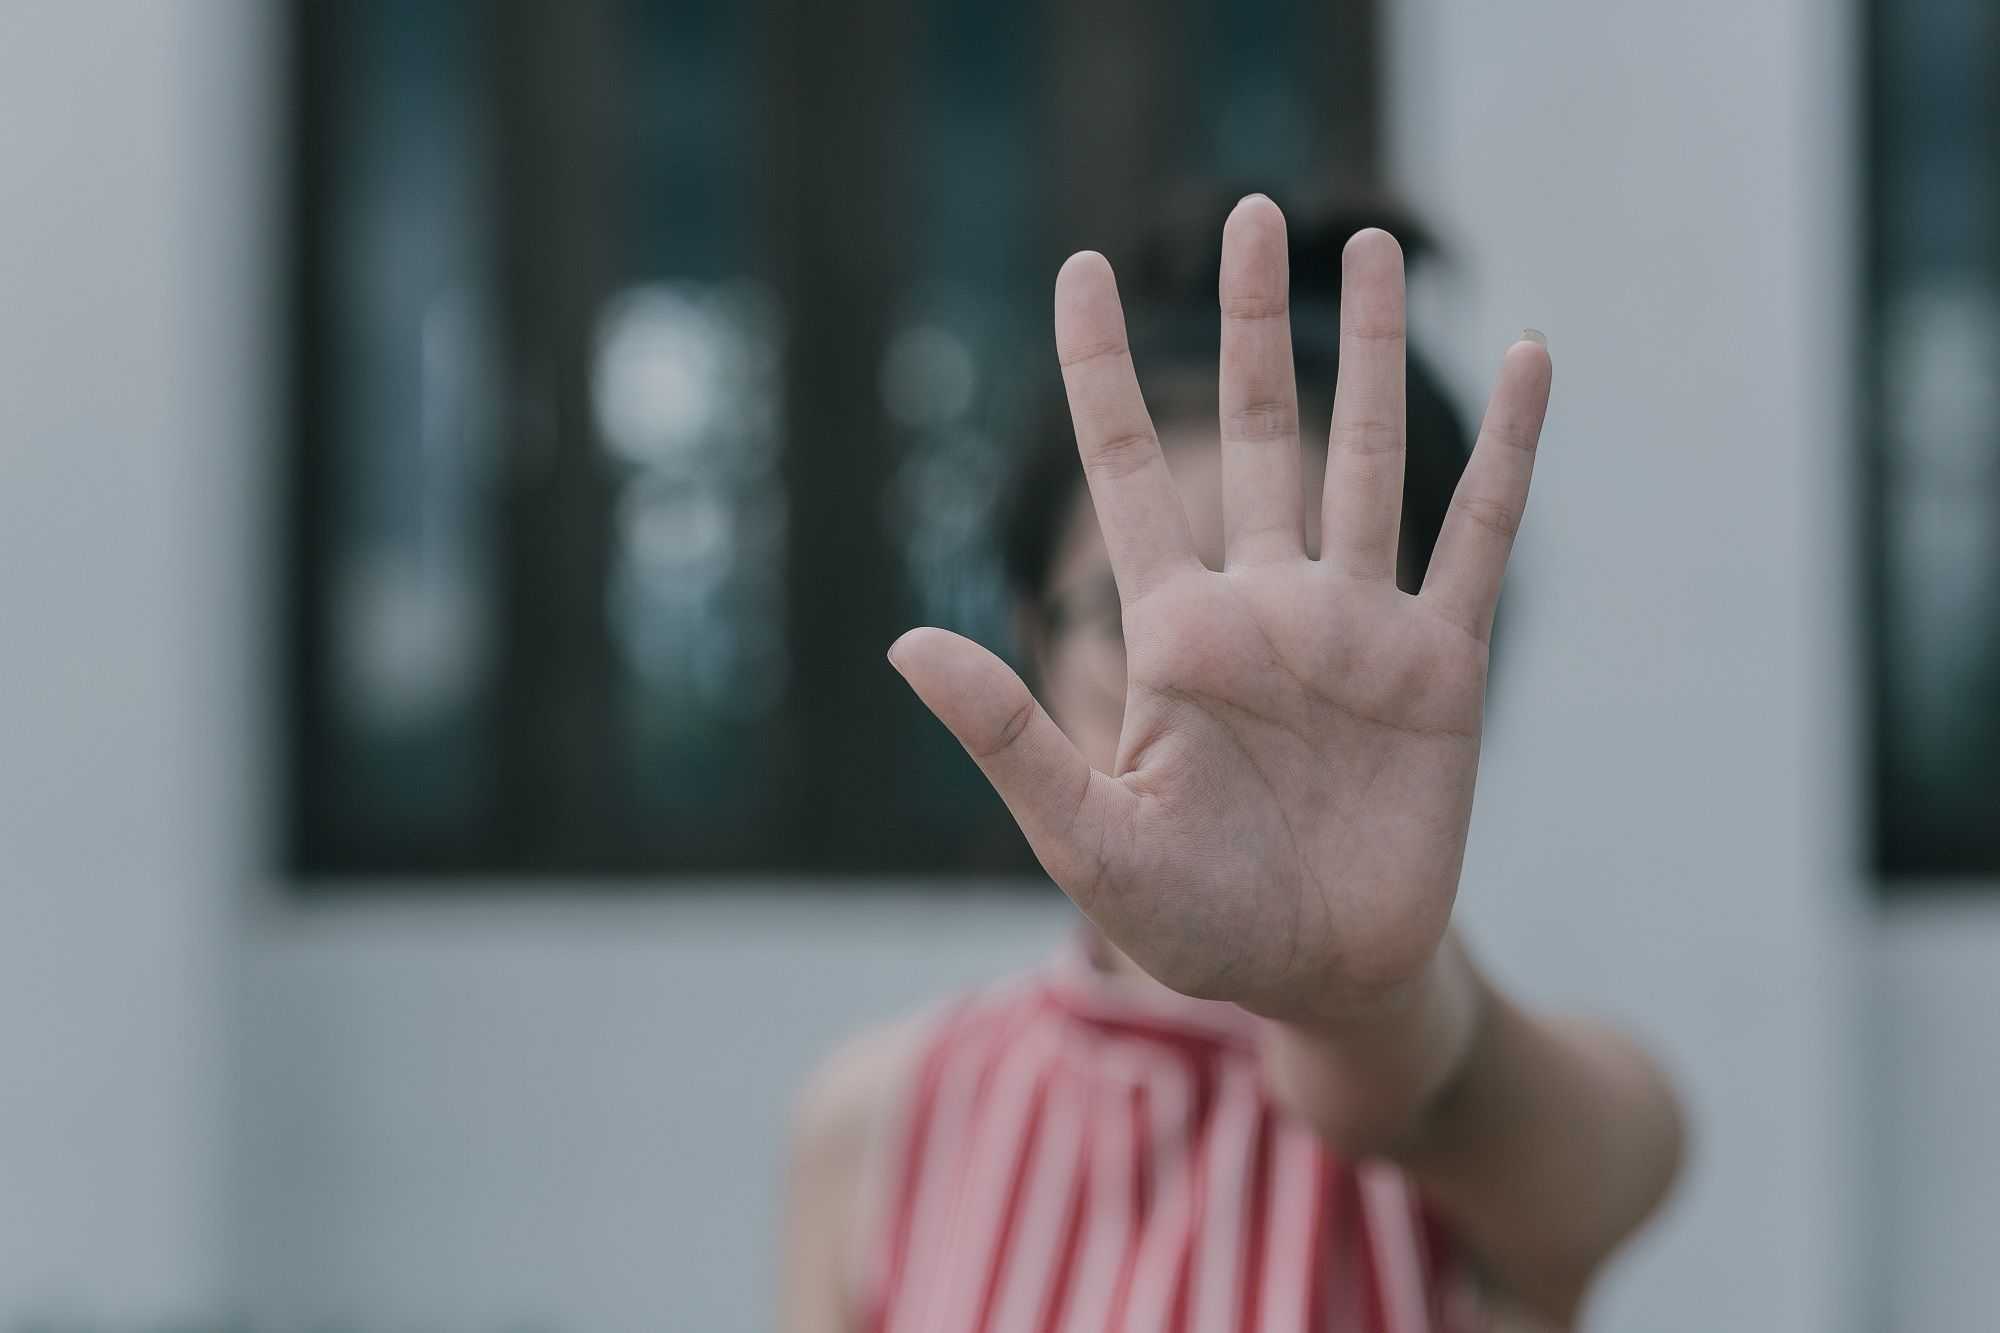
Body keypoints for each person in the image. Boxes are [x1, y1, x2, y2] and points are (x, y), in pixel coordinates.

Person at [781, 192, 1684, 1333]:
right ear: (1029, 642)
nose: (1230, 709)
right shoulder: (879, 1121)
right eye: (1134, 620)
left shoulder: (1530, 1127)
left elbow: (1461, 1097)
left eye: (1324, 641)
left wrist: (1354, 993)